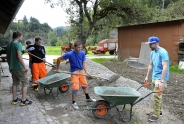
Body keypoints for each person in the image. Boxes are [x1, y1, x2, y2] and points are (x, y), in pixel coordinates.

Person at [56, 40, 96, 109]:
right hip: (74, 73)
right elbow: (59, 59)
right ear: (74, 47)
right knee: (75, 87)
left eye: (81, 47)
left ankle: (88, 98)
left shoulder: (82, 53)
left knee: (84, 84)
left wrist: (87, 71)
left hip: (81, 72)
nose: (80, 49)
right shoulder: (69, 54)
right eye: (78, 47)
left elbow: (84, 63)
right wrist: (57, 68)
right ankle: (73, 102)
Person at [144, 36, 170, 122]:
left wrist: (162, 81)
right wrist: (147, 76)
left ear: (156, 43)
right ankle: (159, 111)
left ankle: (156, 115)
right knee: (157, 96)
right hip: (154, 77)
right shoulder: (152, 52)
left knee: (156, 97)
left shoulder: (163, 52)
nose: (149, 46)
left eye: (151, 44)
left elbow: (165, 67)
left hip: (161, 78)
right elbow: (150, 65)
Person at [7, 31, 32, 106]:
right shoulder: (18, 44)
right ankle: (23, 100)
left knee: (15, 83)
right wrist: (25, 66)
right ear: (18, 36)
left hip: (13, 68)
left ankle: (14, 99)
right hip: (19, 67)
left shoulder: (9, 45)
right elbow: (18, 56)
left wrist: (10, 67)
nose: (22, 37)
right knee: (25, 82)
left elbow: (8, 57)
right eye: (21, 36)